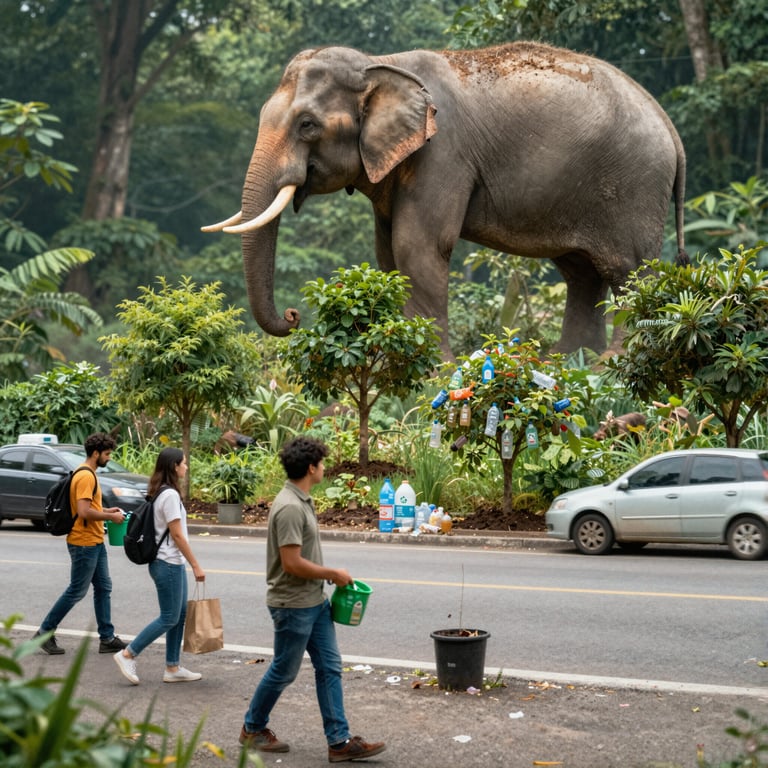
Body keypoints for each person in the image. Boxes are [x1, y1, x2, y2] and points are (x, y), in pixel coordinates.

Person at [240, 436, 385, 763]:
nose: (324, 468)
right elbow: (291, 563)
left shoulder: (301, 500)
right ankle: (252, 728)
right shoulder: (290, 507)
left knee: (330, 667)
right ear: (310, 468)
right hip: (293, 605)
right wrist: (332, 573)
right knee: (283, 671)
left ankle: (339, 741)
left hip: (313, 602)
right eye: (322, 463)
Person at [114, 447, 205, 685]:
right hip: (168, 563)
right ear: (174, 466)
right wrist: (196, 565)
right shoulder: (170, 496)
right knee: (169, 617)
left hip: (170, 562)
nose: (186, 467)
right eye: (184, 463)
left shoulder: (161, 492)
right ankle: (127, 654)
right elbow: (177, 534)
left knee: (179, 614)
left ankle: (172, 668)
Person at [34, 432, 129, 655]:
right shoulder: (86, 476)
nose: (108, 457)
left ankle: (107, 637)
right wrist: (110, 518)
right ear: (96, 453)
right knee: (77, 590)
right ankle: (44, 632)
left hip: (94, 541)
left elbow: (86, 507)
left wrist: (107, 510)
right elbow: (85, 512)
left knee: (104, 588)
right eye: (106, 454)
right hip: (84, 543)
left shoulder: (87, 473)